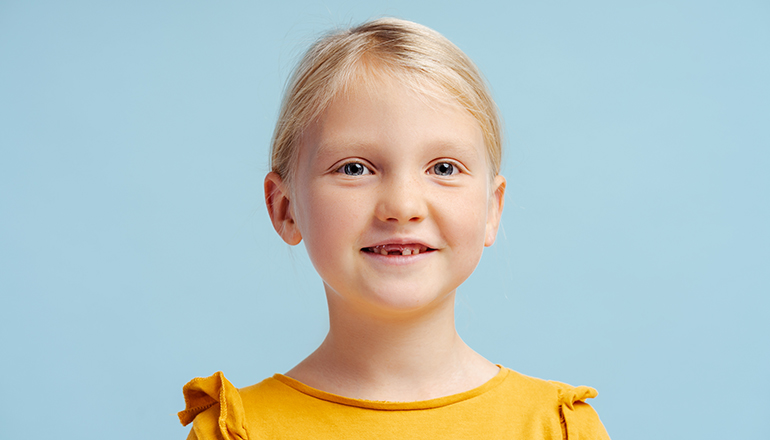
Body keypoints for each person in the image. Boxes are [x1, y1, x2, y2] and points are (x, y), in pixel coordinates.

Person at [178, 17, 610, 439]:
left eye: (443, 167)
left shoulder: (557, 429)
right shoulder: (237, 432)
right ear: (286, 209)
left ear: (491, 210)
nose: (402, 207)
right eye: (354, 168)